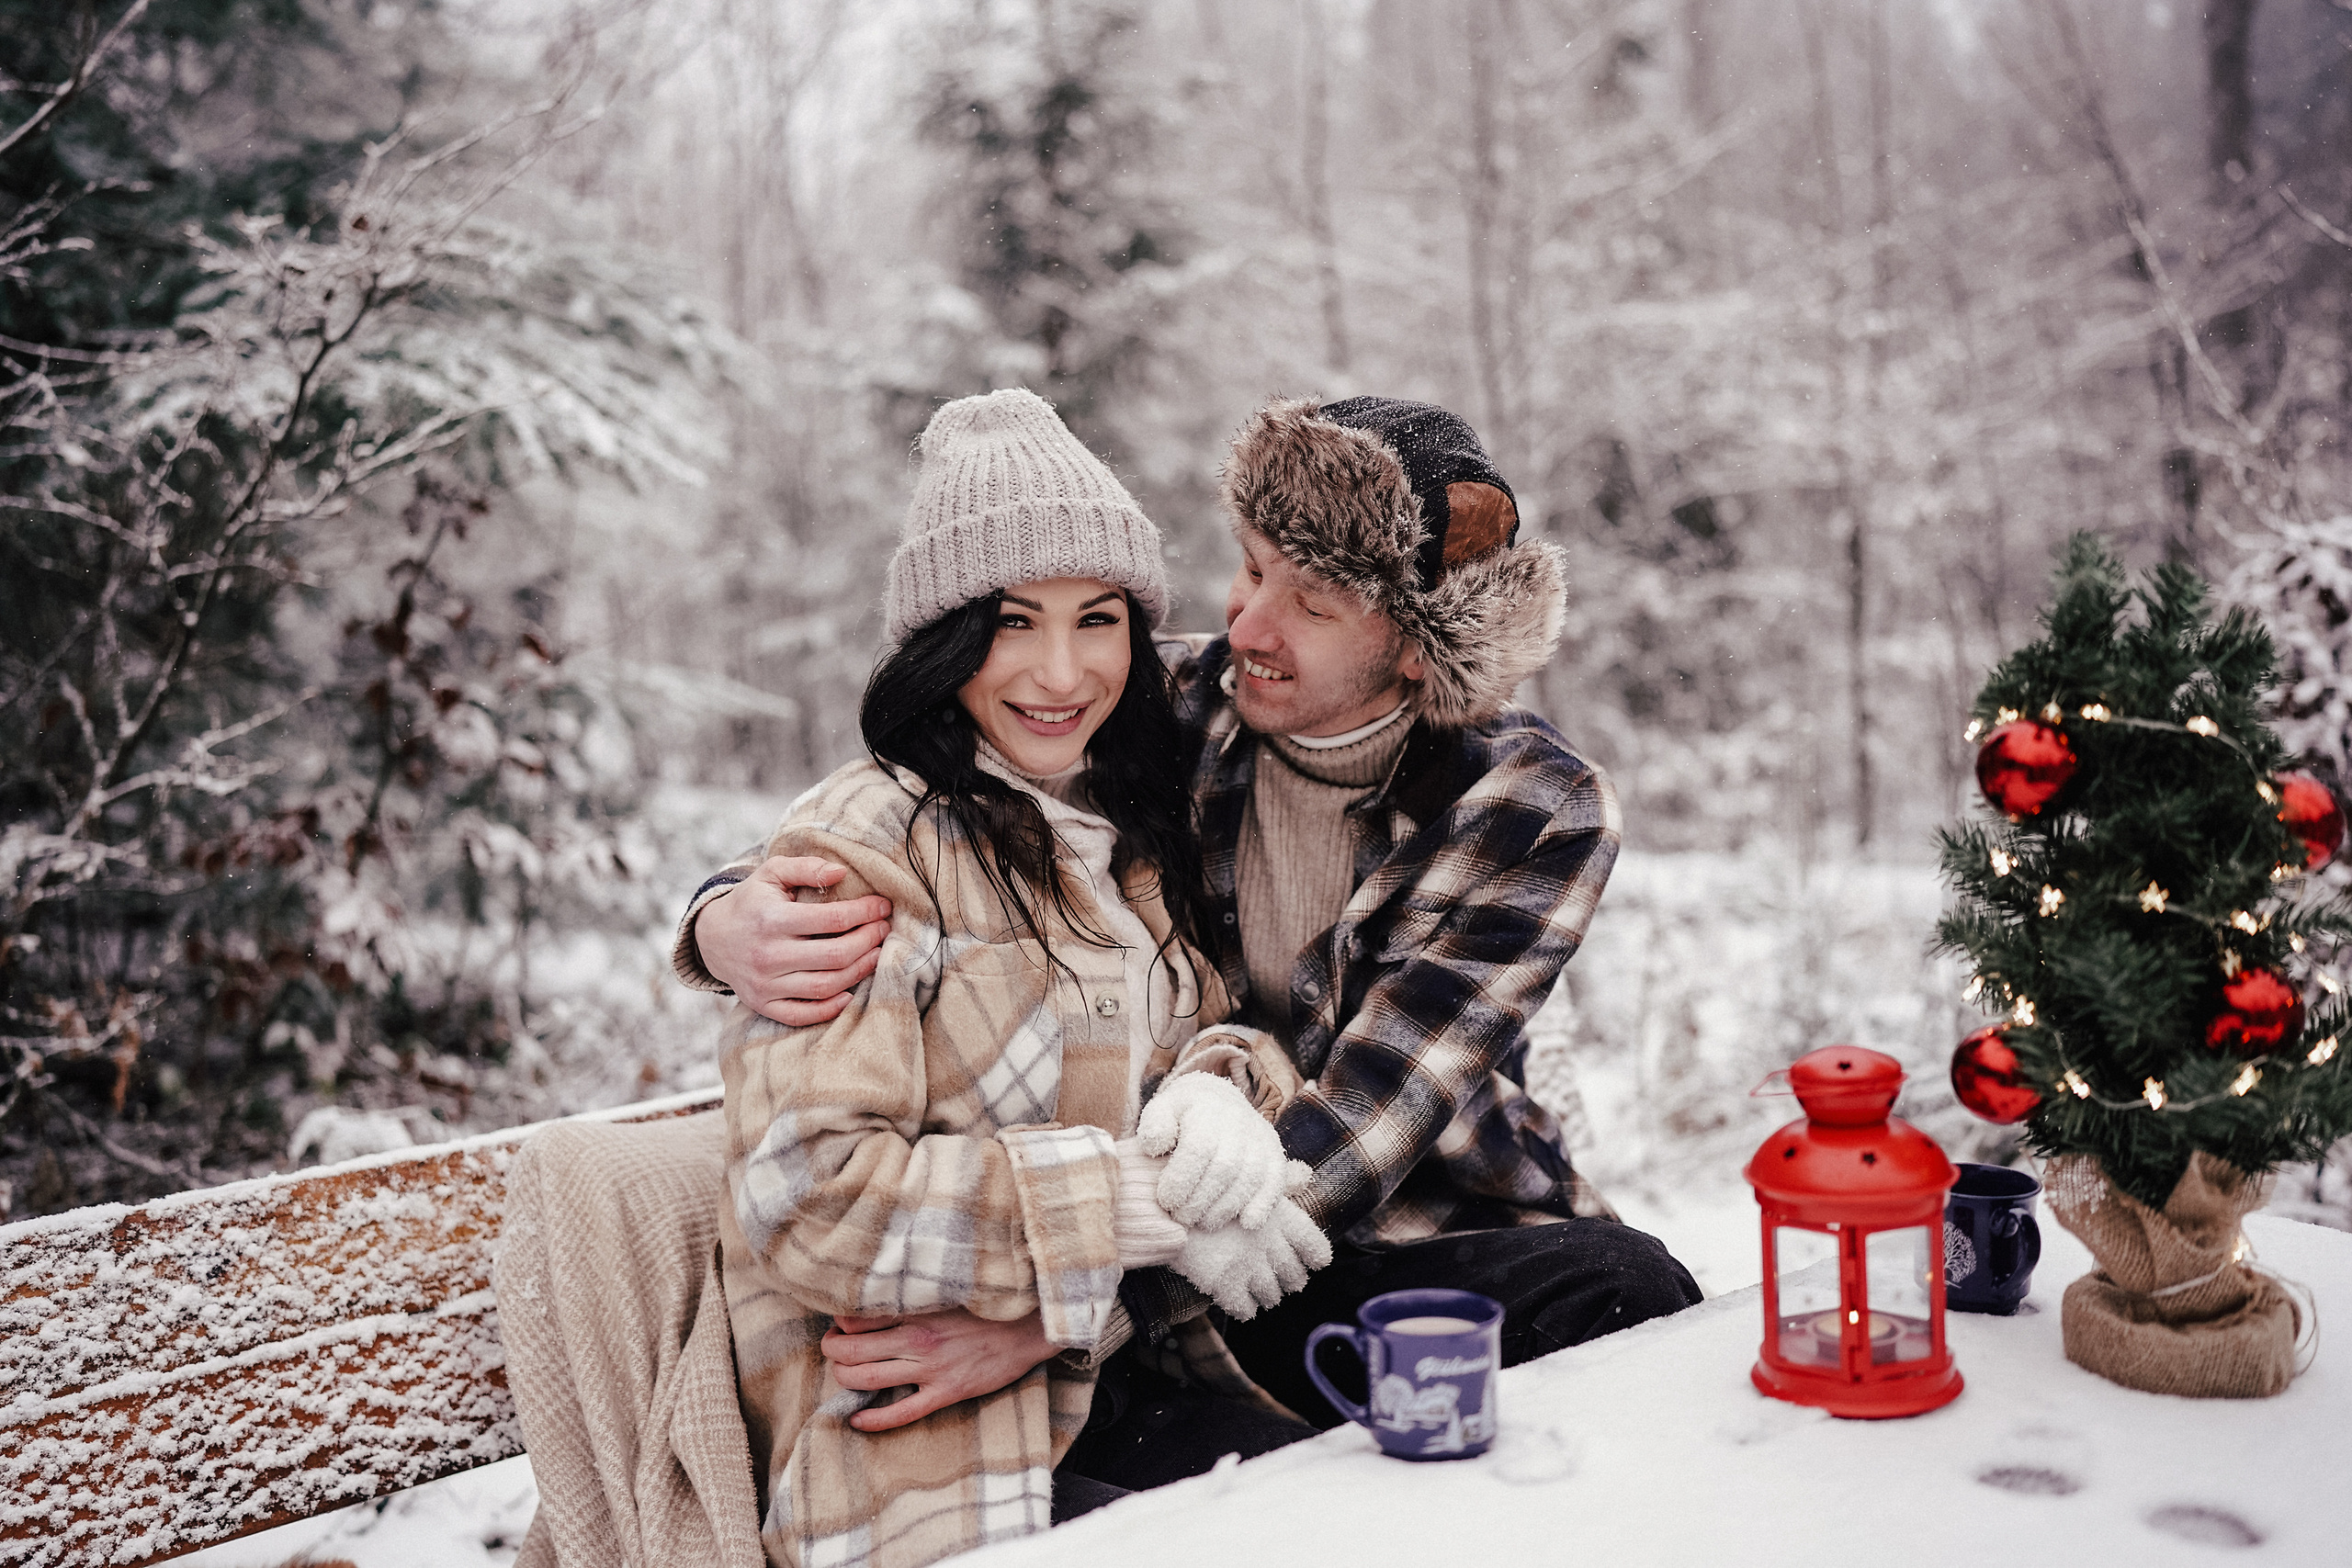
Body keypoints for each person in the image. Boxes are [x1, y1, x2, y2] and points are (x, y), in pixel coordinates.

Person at [683, 395, 1702, 1452]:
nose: (1247, 626)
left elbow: (1369, 1119)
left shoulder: (1531, 804)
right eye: (1252, 569)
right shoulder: (1180, 703)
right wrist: (726, 913)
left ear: (1412, 648)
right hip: (1195, 1228)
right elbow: (911, 794)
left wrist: (1064, 1323)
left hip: (1394, 1221)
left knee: (1626, 1288)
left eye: (1311, 605)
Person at [503, 389, 1335, 1568]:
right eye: (1011, 622)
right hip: (930, 1448)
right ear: (943, 639)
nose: (1062, 670)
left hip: (1121, 1372)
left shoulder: (1126, 827)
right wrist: (1148, 1207)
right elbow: (814, 1198)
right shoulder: (864, 848)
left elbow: (1201, 1028)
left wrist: (1218, 1091)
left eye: (1098, 619)